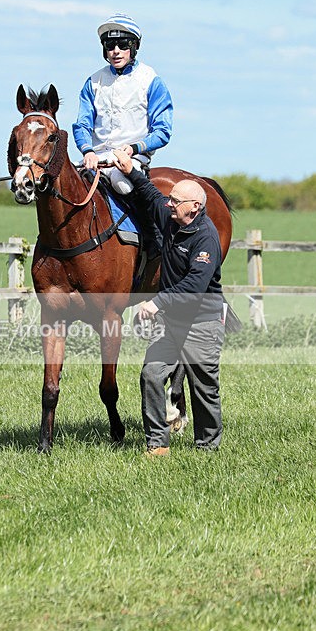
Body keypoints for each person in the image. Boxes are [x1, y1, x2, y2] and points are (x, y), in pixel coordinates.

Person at [113, 148, 226, 456]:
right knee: (151, 374)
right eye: (171, 200)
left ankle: (207, 447)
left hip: (203, 321)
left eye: (176, 201)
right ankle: (156, 443)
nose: (169, 204)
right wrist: (130, 171)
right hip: (171, 322)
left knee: (203, 387)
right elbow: (151, 196)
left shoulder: (206, 238)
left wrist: (154, 303)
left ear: (195, 206)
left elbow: (194, 285)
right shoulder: (172, 217)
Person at [72, 13, 173, 198]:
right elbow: (82, 125)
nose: (115, 51)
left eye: (123, 44)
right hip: (95, 159)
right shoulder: (93, 82)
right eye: (110, 46)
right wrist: (87, 150)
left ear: (134, 47)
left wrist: (134, 148)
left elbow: (163, 131)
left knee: (122, 185)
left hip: (131, 159)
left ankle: (150, 228)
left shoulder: (151, 80)